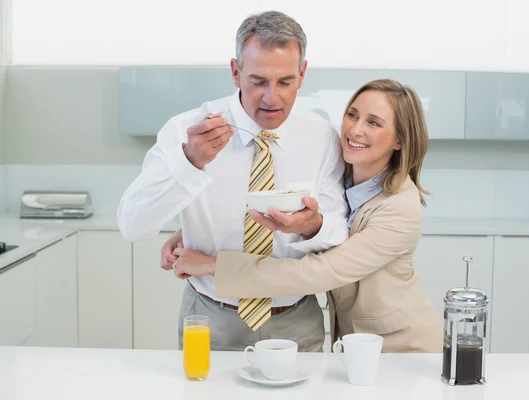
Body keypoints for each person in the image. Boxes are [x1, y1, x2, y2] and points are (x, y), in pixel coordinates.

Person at [117, 10, 349, 352]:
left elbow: (337, 234)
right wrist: (189, 163)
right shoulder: (187, 131)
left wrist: (313, 225)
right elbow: (132, 226)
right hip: (210, 317)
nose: (272, 98)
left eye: (285, 81)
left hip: (296, 319)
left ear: (302, 74)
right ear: (235, 72)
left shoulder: (321, 137)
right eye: (258, 81)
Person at [168, 79, 444, 353]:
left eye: (374, 123)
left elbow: (316, 272)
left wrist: (213, 264)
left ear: (399, 139)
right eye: (352, 115)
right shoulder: (345, 173)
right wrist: (193, 234)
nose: (355, 130)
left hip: (400, 347)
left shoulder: (400, 210)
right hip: (356, 344)